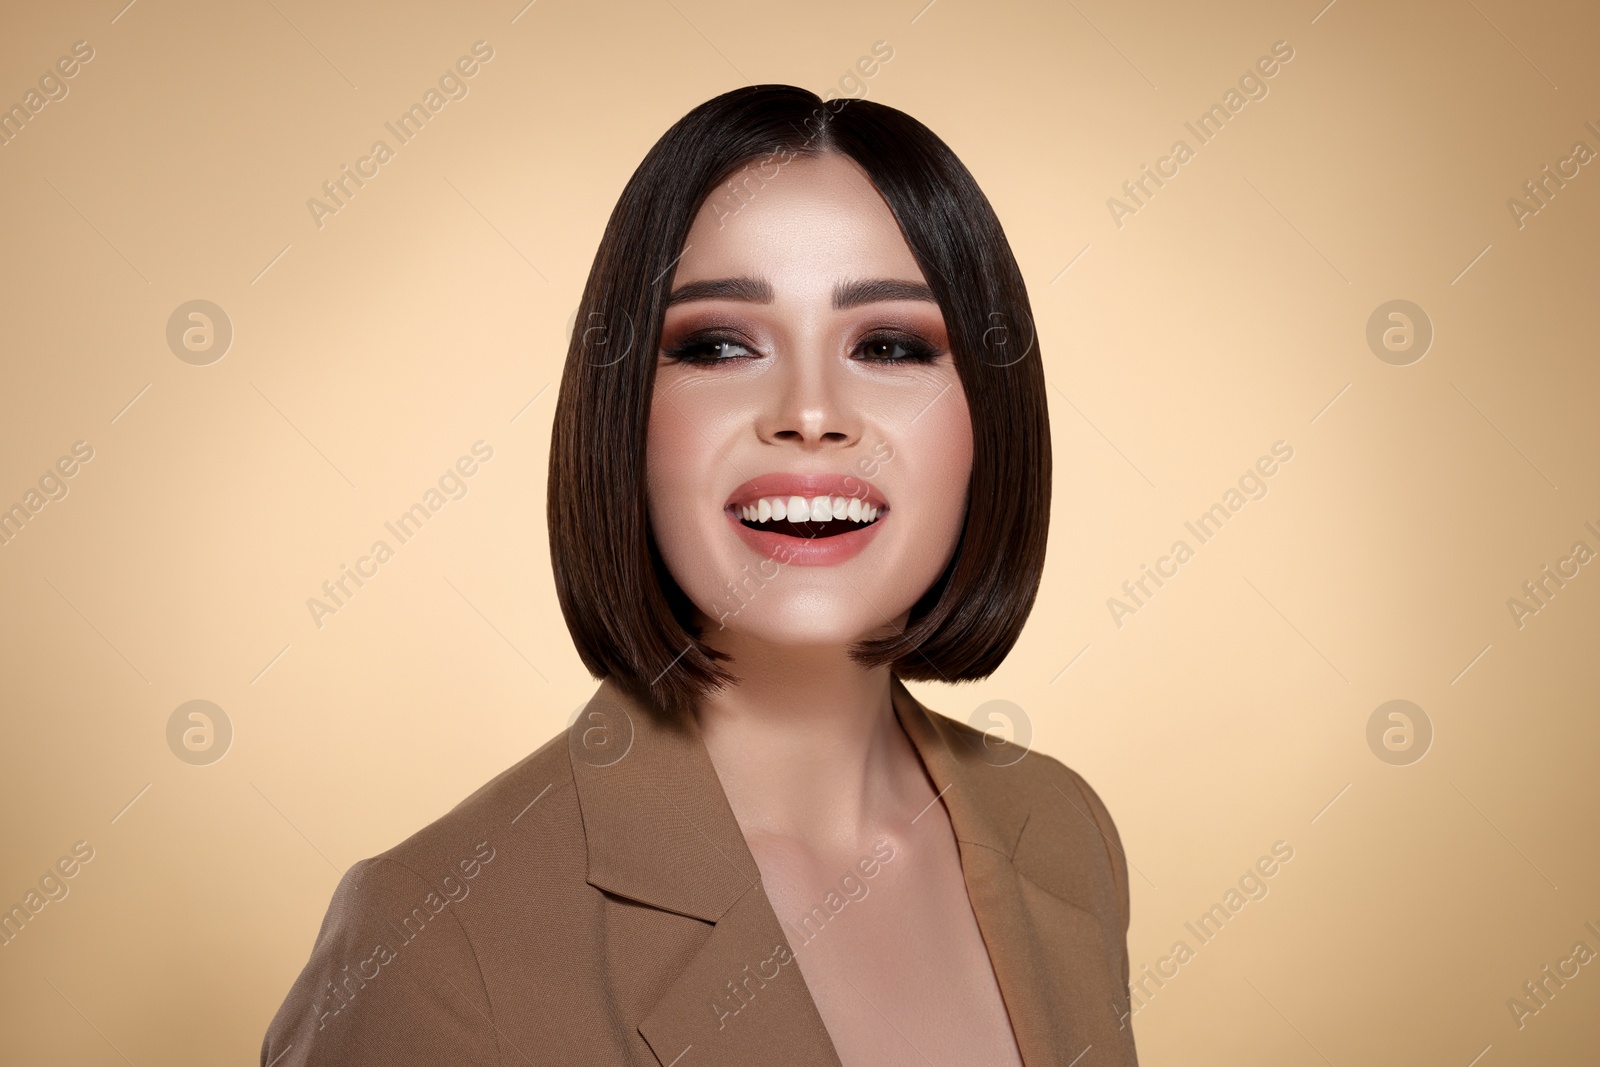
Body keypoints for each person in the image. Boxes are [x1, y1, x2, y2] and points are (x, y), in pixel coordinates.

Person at [261, 83, 1138, 1067]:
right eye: (719, 344)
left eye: (888, 344)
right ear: (625, 414)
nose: (810, 411)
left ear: (989, 418)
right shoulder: (428, 941)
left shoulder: (1061, 830)